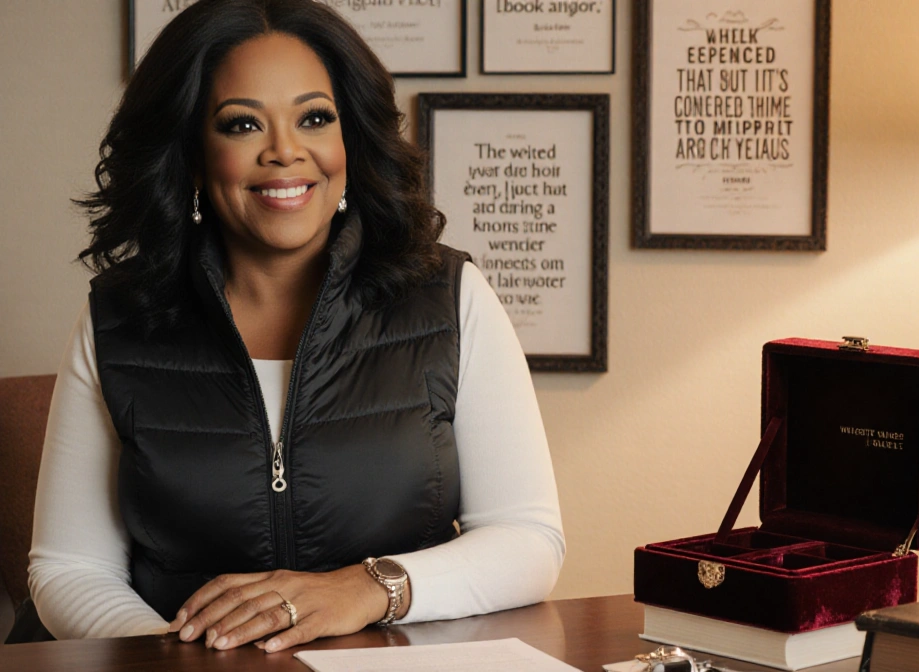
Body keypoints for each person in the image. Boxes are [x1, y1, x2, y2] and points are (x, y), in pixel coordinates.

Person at [27, 0, 564, 653]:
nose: (285, 152)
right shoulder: (117, 319)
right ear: (191, 155)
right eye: (242, 124)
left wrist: (366, 587)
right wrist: (184, 656)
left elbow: (529, 541)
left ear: (349, 142)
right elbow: (69, 569)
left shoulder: (451, 299)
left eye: (314, 118)